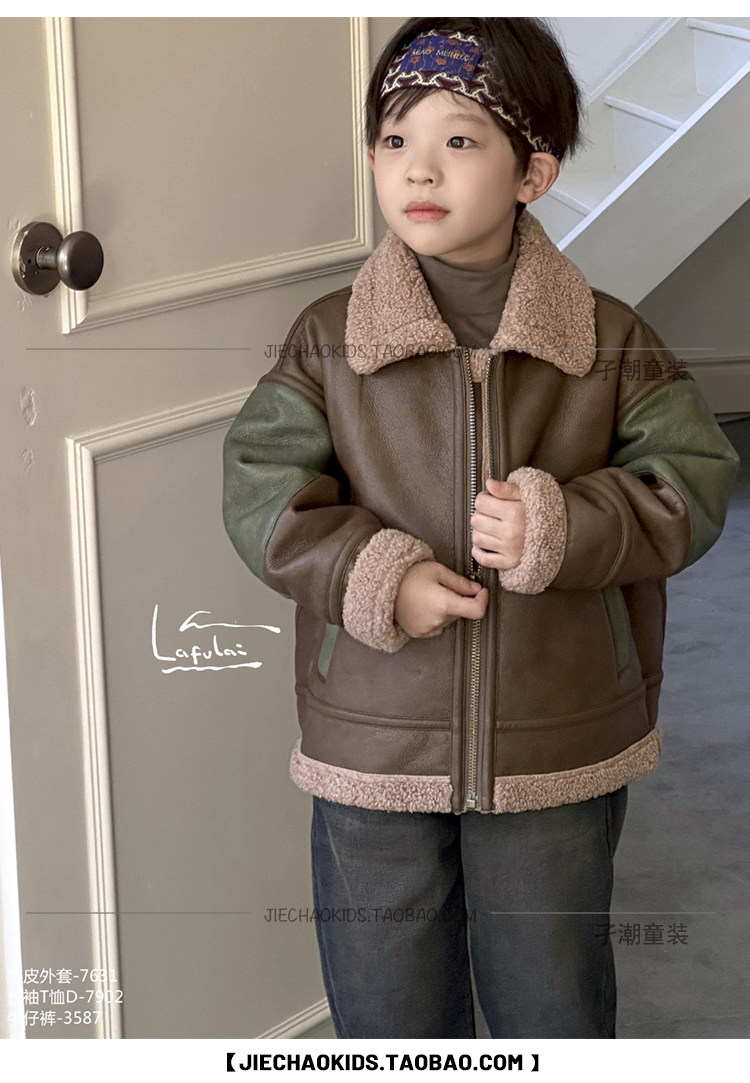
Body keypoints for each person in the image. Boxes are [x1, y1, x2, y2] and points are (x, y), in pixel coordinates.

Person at [222, 17, 740, 1039]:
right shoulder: (329, 337)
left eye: (459, 139)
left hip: (559, 730)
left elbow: (693, 479)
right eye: (395, 138)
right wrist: (372, 575)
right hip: (372, 735)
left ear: (532, 172)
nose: (419, 167)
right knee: (386, 999)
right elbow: (262, 488)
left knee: (554, 995)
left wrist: (565, 527)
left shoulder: (609, 339)